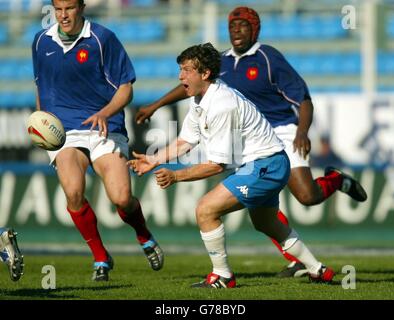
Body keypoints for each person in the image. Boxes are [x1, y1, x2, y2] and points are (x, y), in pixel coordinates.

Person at [134, 6, 367, 278]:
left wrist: (303, 131)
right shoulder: (215, 73)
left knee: (302, 196)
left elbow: (302, 98)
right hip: (254, 149)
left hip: (278, 135)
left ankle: (222, 276)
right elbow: (186, 135)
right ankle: (315, 267)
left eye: (243, 26)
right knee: (265, 221)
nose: (236, 31)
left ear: (254, 29)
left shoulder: (267, 59)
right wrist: (155, 126)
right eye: (232, 26)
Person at [32, 0, 163, 281]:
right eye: (58, 9)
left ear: (81, 7)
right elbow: (40, 86)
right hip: (65, 131)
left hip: (105, 125)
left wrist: (105, 113)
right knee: (73, 192)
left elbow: (126, 88)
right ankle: (101, 257)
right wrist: (41, 124)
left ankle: (143, 235)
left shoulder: (102, 39)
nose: (63, 15)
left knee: (121, 198)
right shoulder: (41, 41)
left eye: (69, 8)